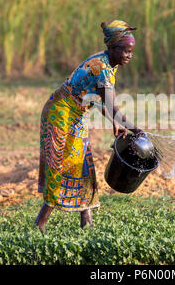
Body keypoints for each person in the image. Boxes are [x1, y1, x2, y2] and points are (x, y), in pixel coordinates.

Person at [35, 20, 142, 232]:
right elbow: (112, 107)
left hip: (77, 113)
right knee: (61, 164)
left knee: (83, 162)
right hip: (60, 114)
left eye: (131, 52)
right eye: (126, 51)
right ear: (112, 48)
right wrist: (136, 129)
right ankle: (40, 223)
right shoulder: (102, 67)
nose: (130, 55)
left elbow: (95, 98)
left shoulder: (108, 63)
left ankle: (87, 220)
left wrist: (116, 123)